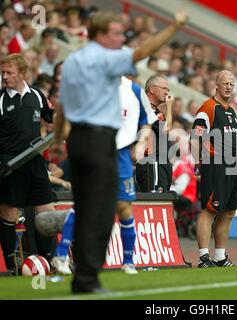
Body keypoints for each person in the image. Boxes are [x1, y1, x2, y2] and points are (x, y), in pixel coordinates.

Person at [57, 10, 188, 293]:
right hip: (102, 140)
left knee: (83, 206)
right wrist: (174, 26)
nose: (120, 38)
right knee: (103, 212)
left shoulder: (73, 61)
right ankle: (87, 279)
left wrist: (58, 138)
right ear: (101, 35)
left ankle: (75, 270)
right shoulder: (106, 58)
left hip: (77, 141)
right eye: (116, 33)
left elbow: (63, 106)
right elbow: (144, 51)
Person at [51, 76, 157, 275]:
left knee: (124, 207)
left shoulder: (134, 90)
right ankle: (61, 255)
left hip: (122, 154)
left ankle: (128, 261)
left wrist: (141, 143)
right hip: (93, 151)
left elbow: (146, 122)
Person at [0, 54, 55, 274]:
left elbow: (50, 119)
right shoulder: (1, 100)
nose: (4, 77)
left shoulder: (38, 96)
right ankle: (12, 266)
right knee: (9, 214)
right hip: (9, 165)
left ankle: (49, 261)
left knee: (46, 214)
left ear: (22, 74)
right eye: (3, 72)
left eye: (9, 73)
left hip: (35, 161)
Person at [190, 70, 237, 268]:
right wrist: (198, 162)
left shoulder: (231, 111)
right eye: (225, 83)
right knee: (210, 210)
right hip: (215, 163)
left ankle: (220, 256)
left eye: (232, 84)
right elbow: (196, 136)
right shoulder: (208, 107)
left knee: (228, 211)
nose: (229, 86)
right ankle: (203, 257)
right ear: (216, 85)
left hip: (232, 165)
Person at [136, 75, 174, 193]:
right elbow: (166, 128)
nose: (167, 92)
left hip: (159, 163)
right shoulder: (146, 108)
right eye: (164, 88)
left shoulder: (154, 110)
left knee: (160, 199)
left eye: (168, 89)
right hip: (152, 162)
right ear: (152, 89)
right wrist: (169, 107)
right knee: (155, 199)